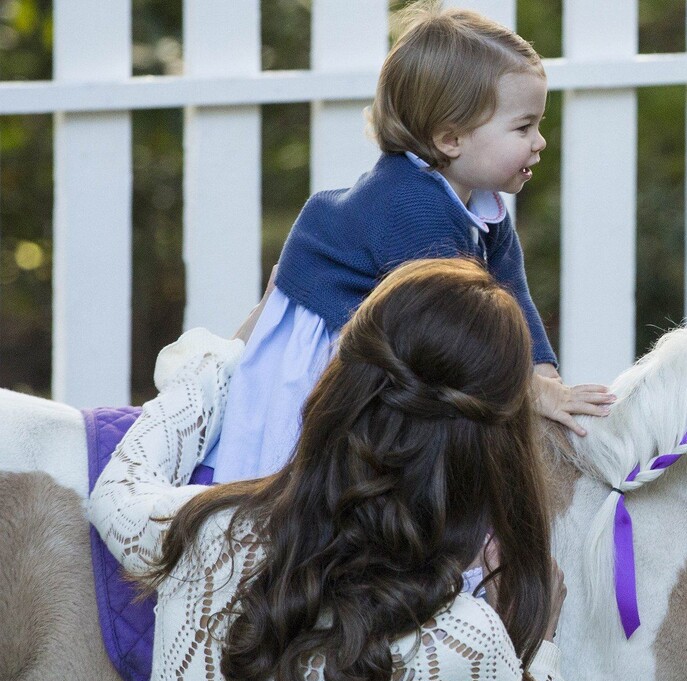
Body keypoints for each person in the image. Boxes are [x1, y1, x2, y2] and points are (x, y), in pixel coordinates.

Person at [88, 259, 582, 681]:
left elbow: (118, 490)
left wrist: (233, 356)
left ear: (339, 384)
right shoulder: (456, 641)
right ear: (494, 450)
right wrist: (537, 659)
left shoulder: (206, 533)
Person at [206, 0, 613, 486]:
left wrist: (546, 382)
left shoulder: (480, 204)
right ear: (450, 138)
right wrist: (529, 395)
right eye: (523, 127)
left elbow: (513, 295)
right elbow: (450, 333)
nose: (539, 140)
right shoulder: (410, 204)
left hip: (397, 337)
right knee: (321, 467)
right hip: (332, 343)